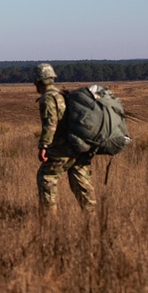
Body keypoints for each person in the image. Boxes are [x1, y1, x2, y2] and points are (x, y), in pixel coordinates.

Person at [34, 63, 96, 214]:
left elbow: (51, 123)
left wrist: (44, 146)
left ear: (38, 81)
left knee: (46, 177)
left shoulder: (48, 99)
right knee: (81, 183)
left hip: (64, 148)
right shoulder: (64, 95)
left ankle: (49, 221)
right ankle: (93, 218)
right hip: (80, 147)